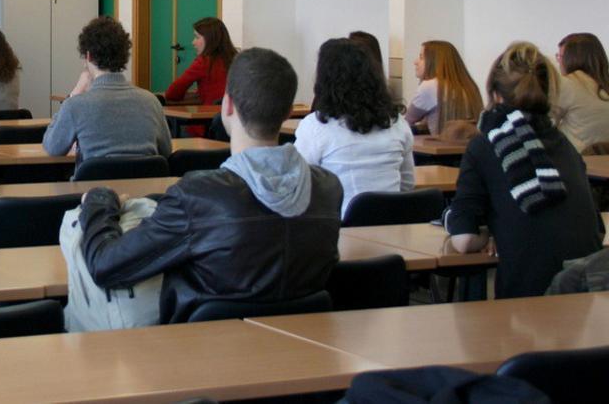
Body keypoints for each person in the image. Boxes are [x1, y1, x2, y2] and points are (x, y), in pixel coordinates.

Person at [79, 47, 342, 323]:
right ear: (288, 112)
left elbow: (106, 266)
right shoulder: (328, 188)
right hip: (301, 344)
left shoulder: (197, 195)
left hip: (201, 345)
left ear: (227, 105)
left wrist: (98, 203)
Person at [446, 41, 603, 298]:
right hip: (587, 297)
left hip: (530, 299)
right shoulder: (564, 143)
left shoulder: (485, 146)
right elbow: (595, 227)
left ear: (495, 95)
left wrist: (491, 233)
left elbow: (463, 241)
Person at [295, 38, 415, 216]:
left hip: (339, 226)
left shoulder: (316, 126)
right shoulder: (398, 124)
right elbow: (407, 185)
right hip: (393, 223)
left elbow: (298, 187)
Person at [43, 16, 171, 162]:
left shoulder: (75, 106)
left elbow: (53, 147)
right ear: (124, 55)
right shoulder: (151, 102)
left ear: (88, 56)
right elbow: (166, 151)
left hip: (93, 177)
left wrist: (73, 94)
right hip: (145, 177)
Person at [405, 40, 483, 136]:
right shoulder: (470, 87)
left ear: (434, 62)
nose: (415, 62)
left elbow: (405, 123)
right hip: (470, 144)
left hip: (442, 144)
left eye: (421, 57)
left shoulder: (429, 87)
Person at [552, 32, 609, 153]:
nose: (559, 62)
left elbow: (545, 124)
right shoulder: (604, 84)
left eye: (560, 57)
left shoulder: (567, 84)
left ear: (572, 59)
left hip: (577, 159)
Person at [164, 17, 236, 105]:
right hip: (239, 112)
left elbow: (172, 93)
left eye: (197, 37)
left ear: (210, 39)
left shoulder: (204, 62)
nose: (193, 42)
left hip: (211, 113)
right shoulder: (238, 58)